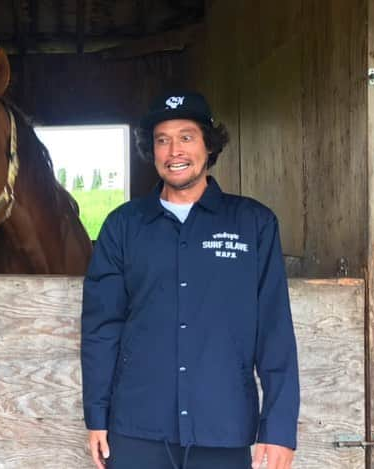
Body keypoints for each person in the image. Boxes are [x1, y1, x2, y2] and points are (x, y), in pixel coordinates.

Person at [80, 91, 299, 469]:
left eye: (186, 137)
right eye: (162, 140)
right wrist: (96, 416)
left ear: (208, 146)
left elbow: (275, 331)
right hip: (137, 428)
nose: (173, 151)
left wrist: (278, 428)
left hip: (223, 425)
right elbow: (102, 327)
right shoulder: (123, 226)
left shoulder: (254, 224)